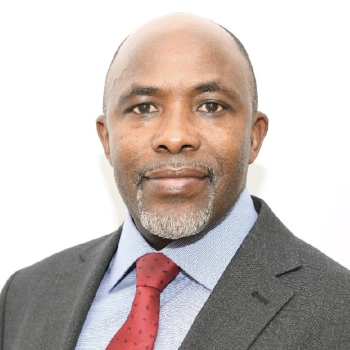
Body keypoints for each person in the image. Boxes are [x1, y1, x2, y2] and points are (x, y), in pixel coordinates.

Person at [1, 13, 350, 350]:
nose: (175, 136)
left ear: (254, 137)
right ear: (107, 140)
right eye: (144, 108)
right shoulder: (25, 295)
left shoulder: (340, 310)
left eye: (210, 106)